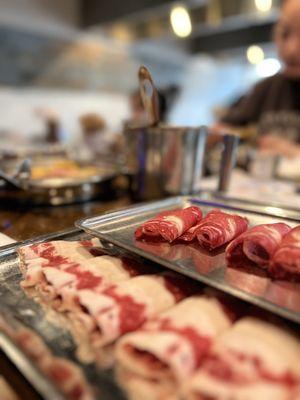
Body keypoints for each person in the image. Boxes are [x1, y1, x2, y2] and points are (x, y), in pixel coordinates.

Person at [213, 0, 300, 157]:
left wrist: (292, 152)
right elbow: (223, 128)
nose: (291, 50)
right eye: (285, 33)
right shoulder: (266, 89)